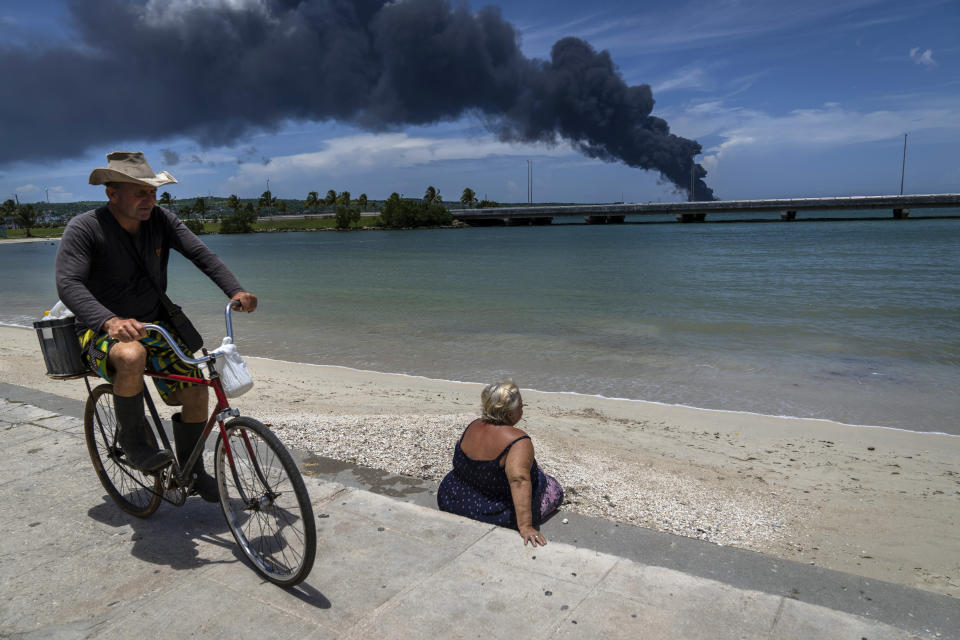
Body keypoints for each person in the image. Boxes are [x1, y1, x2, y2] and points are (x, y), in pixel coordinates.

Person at [55, 151, 258, 502]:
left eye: (151, 192)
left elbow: (202, 254)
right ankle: (135, 444)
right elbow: (69, 284)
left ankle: (192, 472)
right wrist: (109, 320)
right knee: (131, 356)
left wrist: (236, 290)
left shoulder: (162, 220)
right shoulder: (85, 228)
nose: (149, 199)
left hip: (154, 323)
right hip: (100, 328)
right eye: (139, 192)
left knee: (197, 386)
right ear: (111, 193)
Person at [437, 380, 563, 546]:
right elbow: (519, 481)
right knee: (554, 488)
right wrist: (525, 526)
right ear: (510, 414)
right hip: (492, 511)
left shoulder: (473, 426)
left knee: (526, 468)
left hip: (452, 498)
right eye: (521, 407)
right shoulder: (518, 440)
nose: (523, 410)